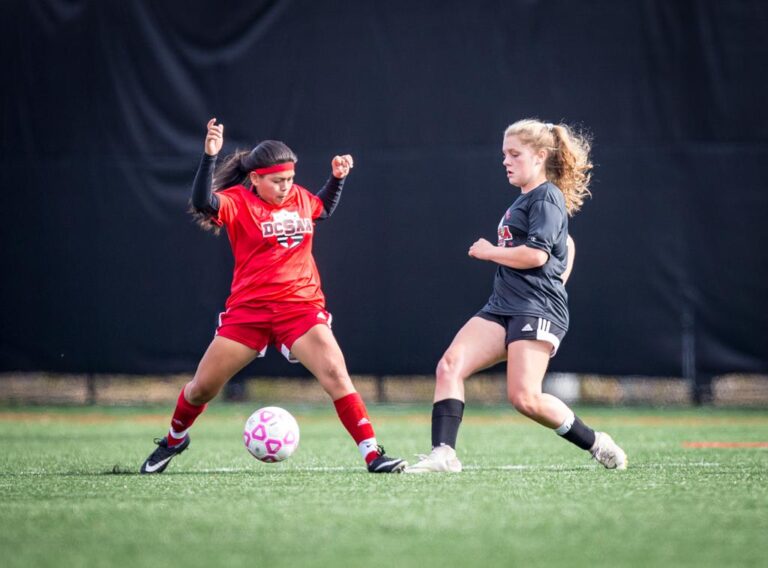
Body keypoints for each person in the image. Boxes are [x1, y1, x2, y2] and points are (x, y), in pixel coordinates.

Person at [141, 118, 407, 474]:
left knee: (336, 375)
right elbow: (202, 201)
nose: (286, 187)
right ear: (256, 178)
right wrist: (209, 157)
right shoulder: (236, 202)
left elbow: (322, 209)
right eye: (277, 181)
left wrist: (337, 179)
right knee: (201, 389)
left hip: (300, 306)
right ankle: (175, 439)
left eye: (290, 179)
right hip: (249, 311)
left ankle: (373, 454)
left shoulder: (299, 197)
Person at [405, 119, 627, 473]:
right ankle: (443, 453)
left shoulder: (547, 196)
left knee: (524, 398)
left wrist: (490, 251)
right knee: (449, 365)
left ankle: (596, 442)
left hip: (534, 308)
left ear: (540, 156)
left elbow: (537, 255)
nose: (506, 161)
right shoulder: (525, 200)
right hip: (502, 305)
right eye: (504, 154)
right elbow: (564, 245)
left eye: (514, 154)